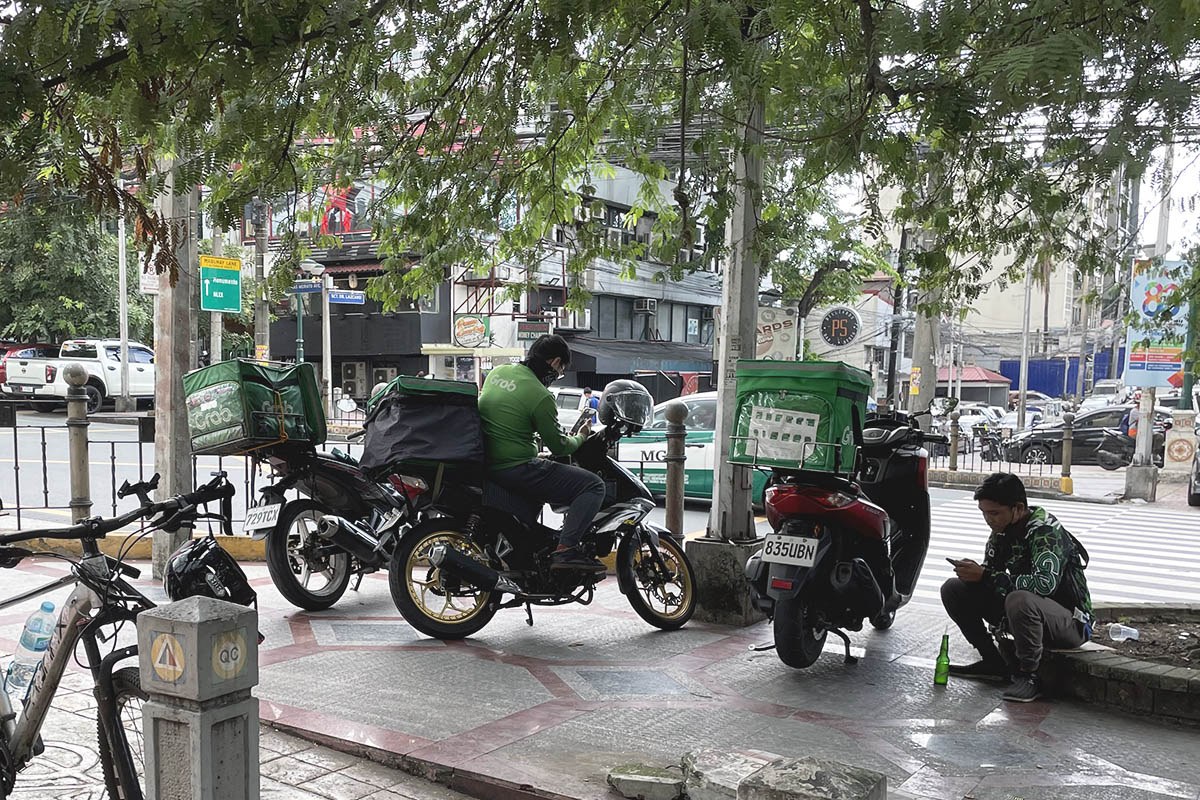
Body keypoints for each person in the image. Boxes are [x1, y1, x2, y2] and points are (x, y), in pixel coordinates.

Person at [940, 472, 1093, 703]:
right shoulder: (1002, 532)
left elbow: (1044, 585)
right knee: (953, 588)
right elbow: (991, 574)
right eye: (984, 513)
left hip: (1070, 622)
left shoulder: (1044, 531)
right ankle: (993, 662)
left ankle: (1029, 675)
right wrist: (974, 575)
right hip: (1028, 614)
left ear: (1018, 508)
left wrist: (986, 576)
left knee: (1019, 599)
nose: (989, 520)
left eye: (994, 513)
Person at [478, 334, 606, 572]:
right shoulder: (540, 395)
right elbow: (559, 446)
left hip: (488, 462)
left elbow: (508, 418)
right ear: (555, 363)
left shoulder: (497, 373)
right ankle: (566, 550)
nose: (557, 377)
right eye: (560, 371)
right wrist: (582, 436)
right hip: (516, 467)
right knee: (593, 486)